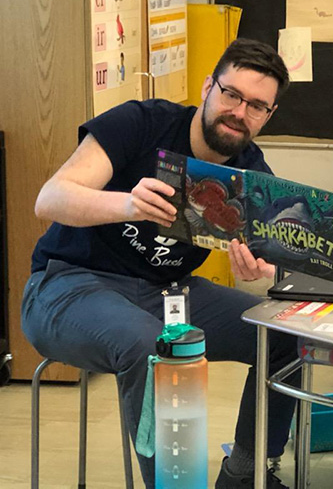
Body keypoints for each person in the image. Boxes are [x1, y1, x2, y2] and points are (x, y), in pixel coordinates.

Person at [22, 38, 296, 489]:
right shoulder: (141, 123)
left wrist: (263, 271)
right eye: (231, 94)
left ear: (268, 116)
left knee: (284, 334)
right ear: (208, 87)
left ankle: (245, 476)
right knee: (158, 345)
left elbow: (281, 260)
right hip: (67, 285)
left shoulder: (251, 176)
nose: (239, 112)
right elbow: (49, 199)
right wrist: (127, 205)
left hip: (167, 293)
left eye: (257, 106)